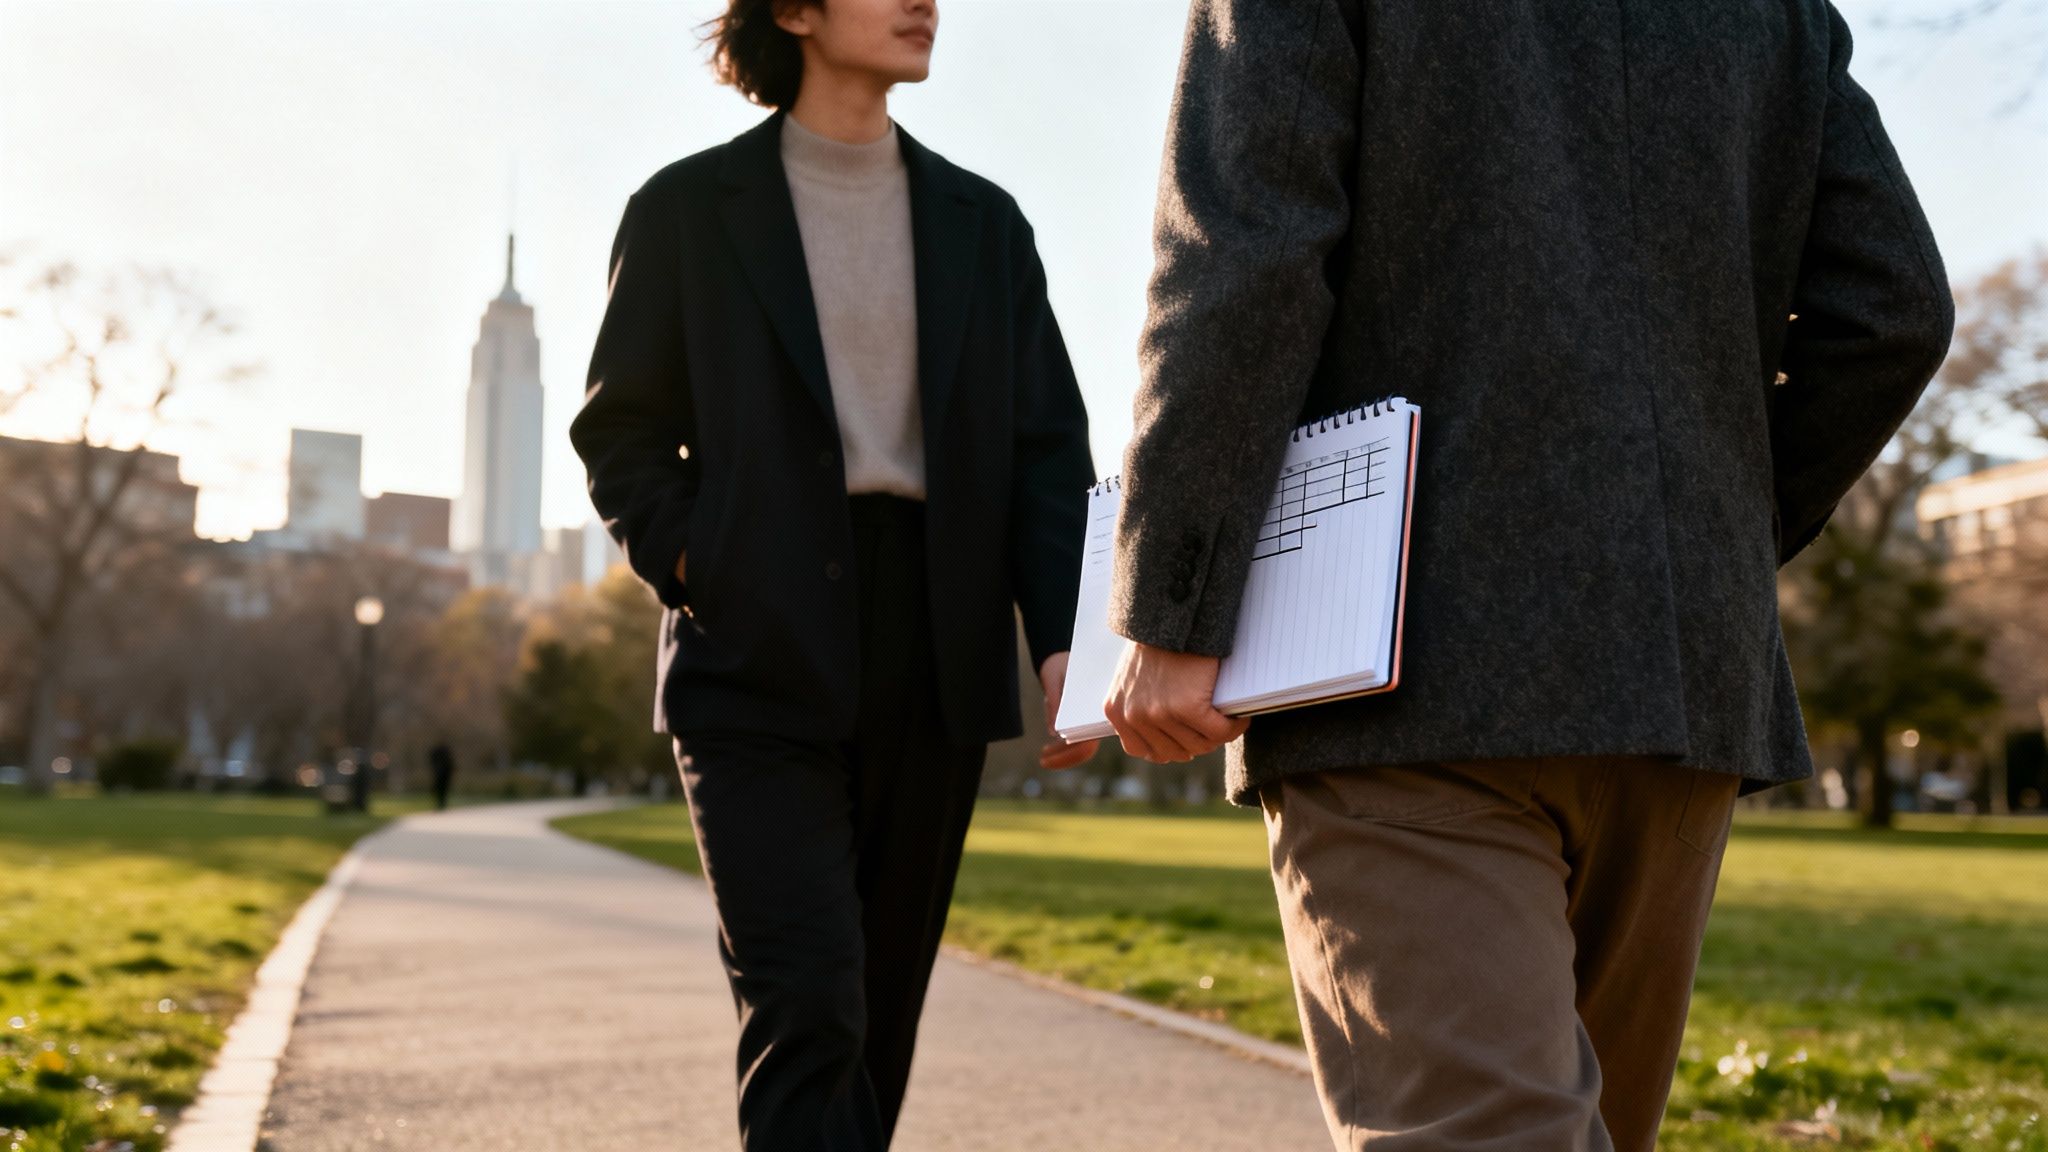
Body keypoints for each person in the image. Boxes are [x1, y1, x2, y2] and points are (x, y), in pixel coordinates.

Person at [1102, 1, 1952, 1148]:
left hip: (1402, 677)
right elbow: (1889, 306)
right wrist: (1695, 541)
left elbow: (1239, 258)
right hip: (1673, 693)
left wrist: (1172, 604)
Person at [568, 0, 1097, 1147]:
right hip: (751, 644)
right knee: (807, 1003)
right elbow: (620, 433)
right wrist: (701, 559)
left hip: (936, 643)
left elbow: (1047, 456)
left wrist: (1066, 641)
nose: (924, 2)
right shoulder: (685, 212)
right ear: (795, 11)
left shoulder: (985, 225)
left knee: (876, 1024)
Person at [427, 743, 455, 812]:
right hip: (441, 776)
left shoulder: (441, 760)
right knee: (441, 790)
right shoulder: (445, 758)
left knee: (441, 790)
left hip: (442, 776)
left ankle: (441, 804)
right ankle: (441, 804)